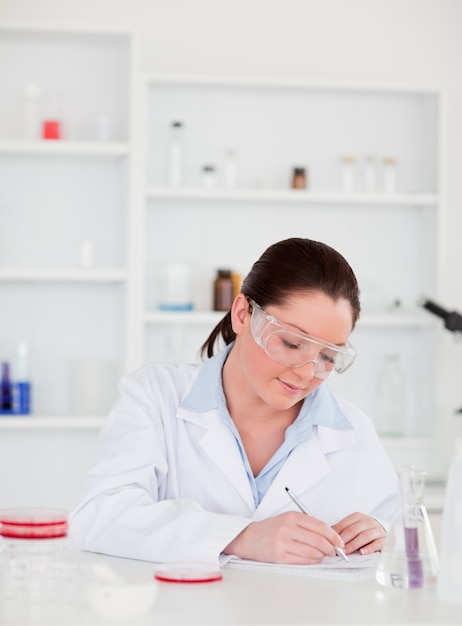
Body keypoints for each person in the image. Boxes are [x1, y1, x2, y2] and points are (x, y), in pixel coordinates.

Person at [69, 237, 398, 566]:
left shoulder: (353, 431)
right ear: (242, 314)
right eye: (291, 343)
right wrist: (242, 536)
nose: (306, 372)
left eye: (328, 355)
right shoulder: (156, 395)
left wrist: (385, 534)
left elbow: (402, 532)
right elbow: (101, 516)